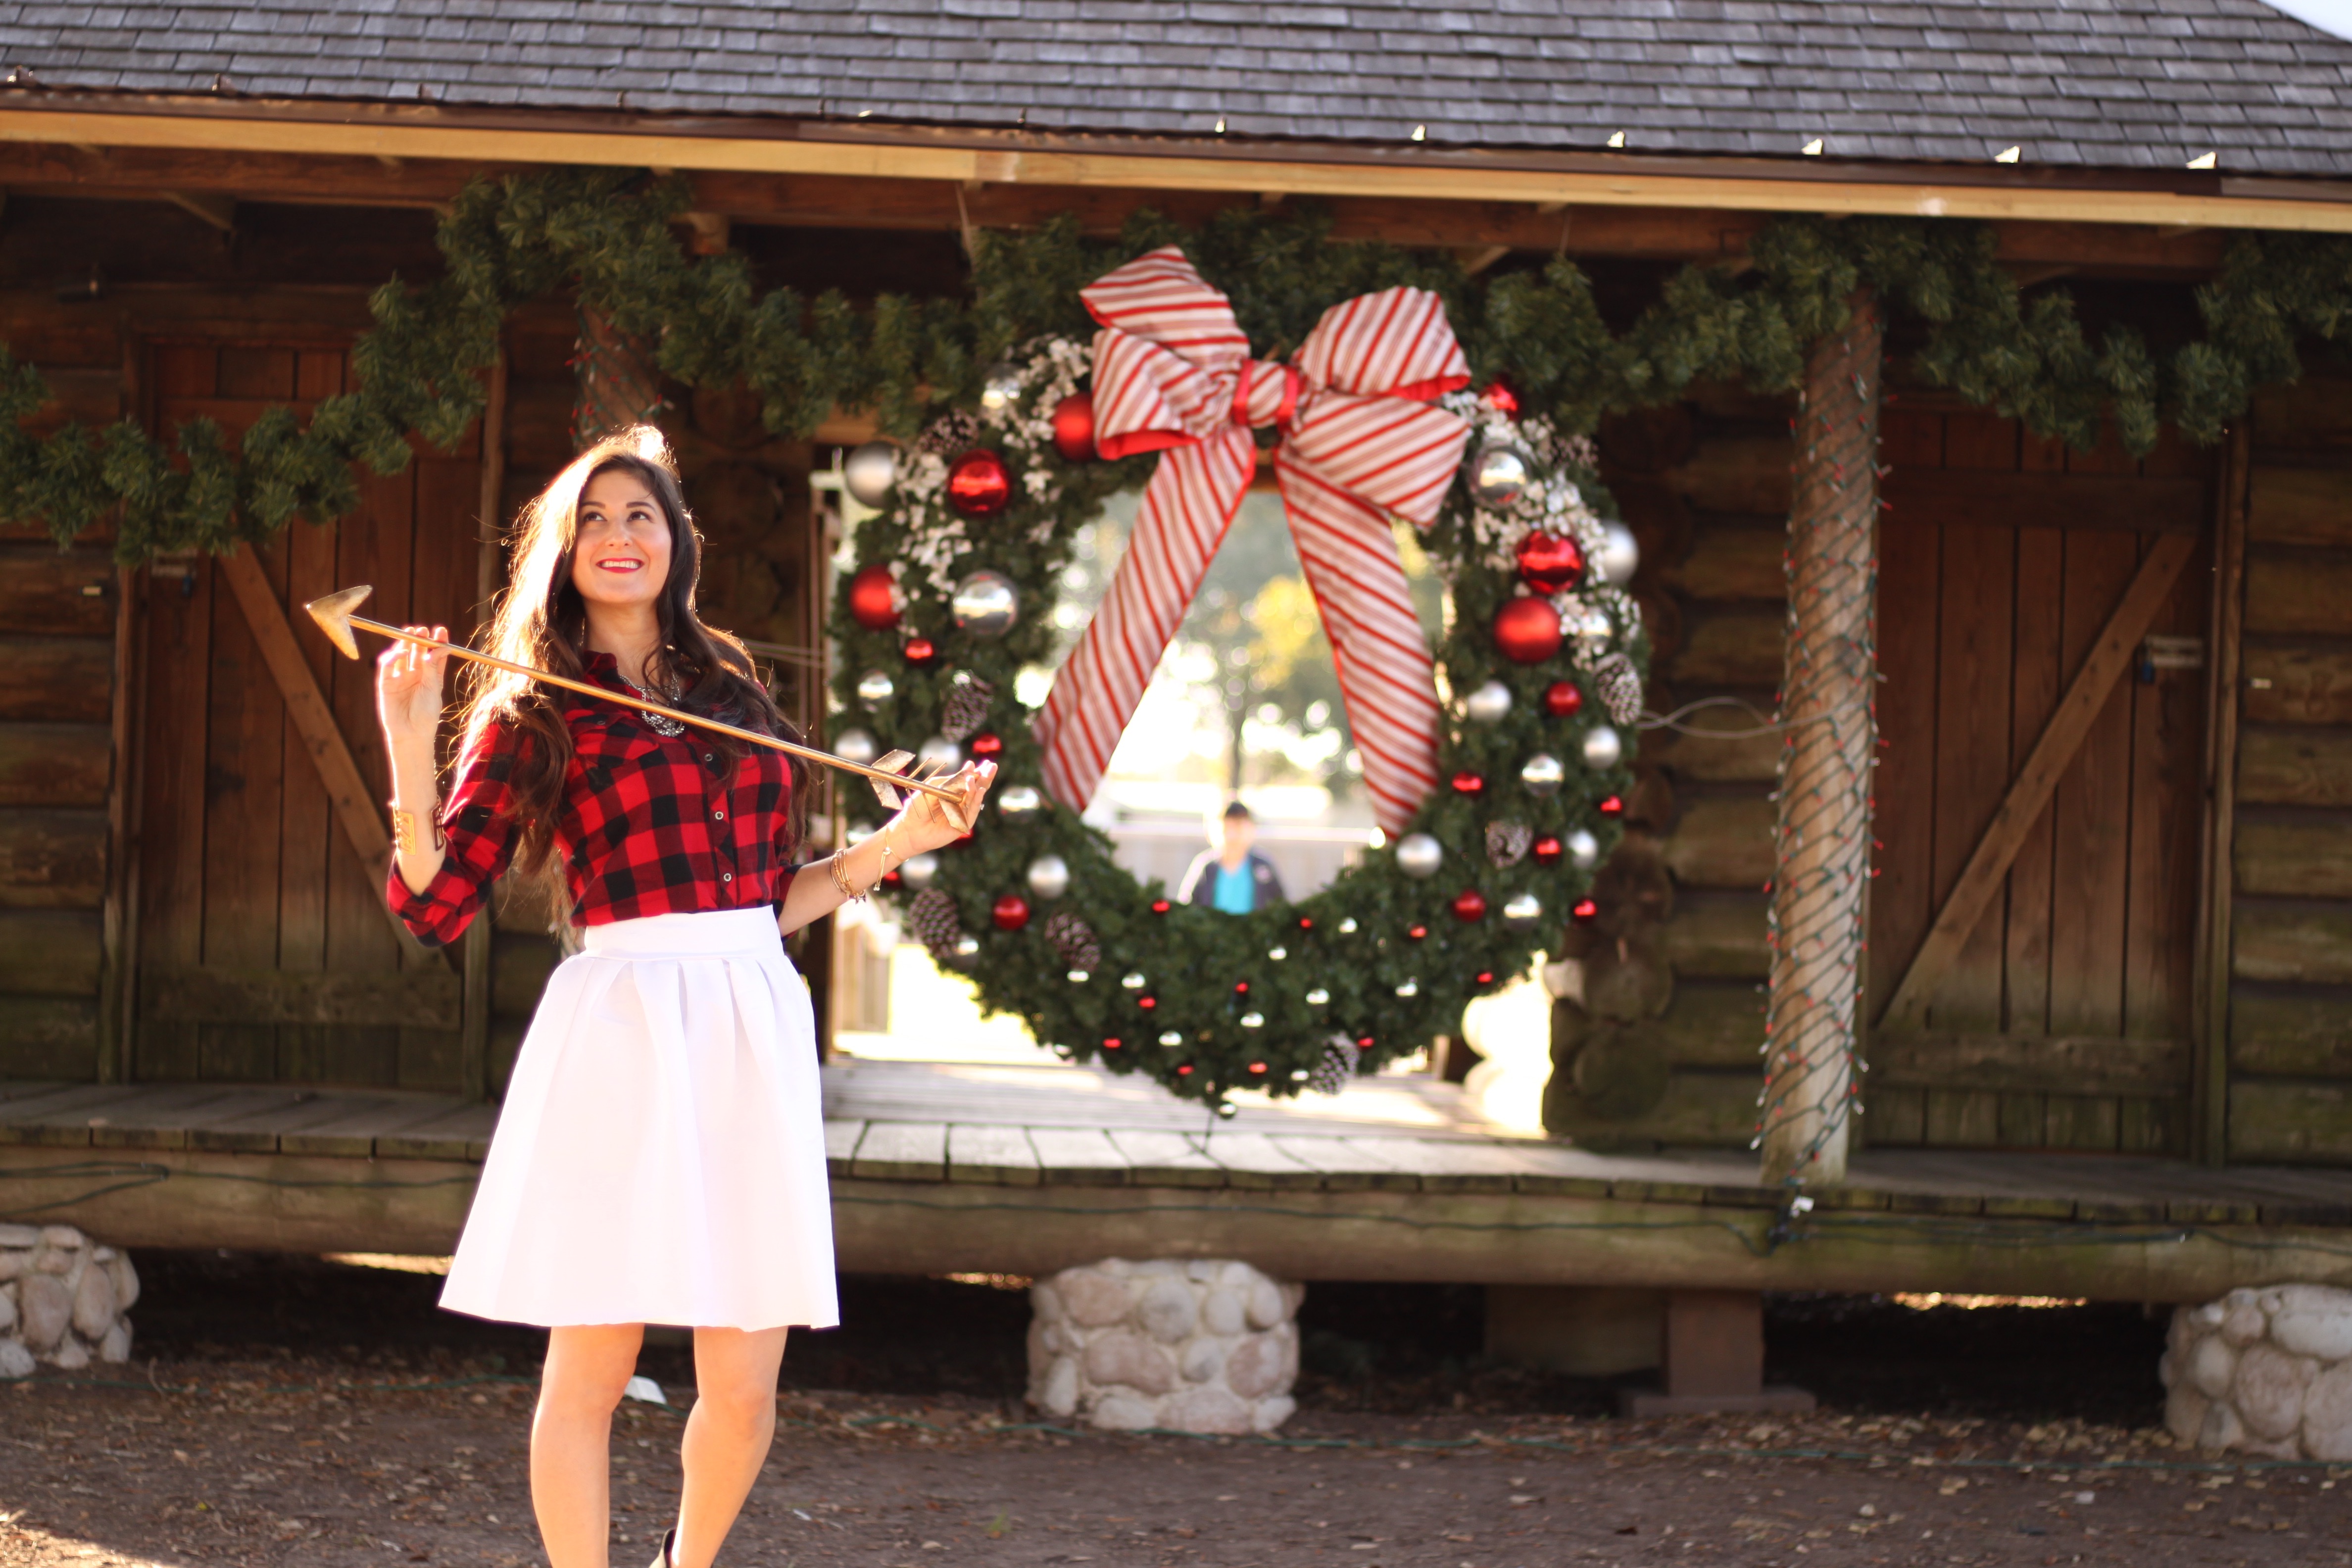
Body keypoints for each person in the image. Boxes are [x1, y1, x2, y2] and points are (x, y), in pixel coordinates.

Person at [375, 426, 993, 1568]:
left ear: (676, 542)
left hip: (749, 1015)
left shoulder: (732, 689)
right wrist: (412, 750)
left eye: (640, 516)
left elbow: (767, 900)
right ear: (561, 554)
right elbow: (433, 906)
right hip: (623, 1027)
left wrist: (900, 838)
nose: (619, 536)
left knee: (746, 1375)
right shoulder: (536, 710)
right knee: (592, 1363)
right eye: (593, 520)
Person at [1177, 800, 1287, 914]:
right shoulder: (1206, 866)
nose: (1232, 836)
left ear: (1252, 830)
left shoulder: (1263, 867)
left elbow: (1279, 906)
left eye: (1238, 829)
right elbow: (1187, 905)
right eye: (1226, 830)